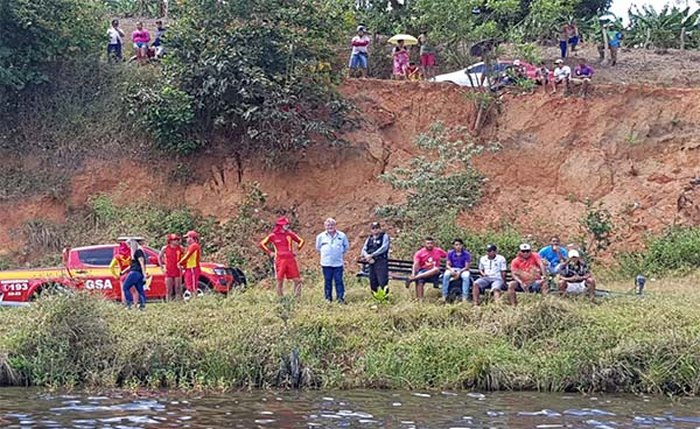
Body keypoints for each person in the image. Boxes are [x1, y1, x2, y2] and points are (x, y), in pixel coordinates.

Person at [259, 216, 305, 297]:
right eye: (285, 224)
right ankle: (280, 299)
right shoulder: (273, 235)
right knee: (279, 280)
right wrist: (270, 252)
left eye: (287, 224)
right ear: (281, 225)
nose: (287, 226)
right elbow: (262, 244)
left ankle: (297, 298)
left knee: (297, 280)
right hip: (279, 260)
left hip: (290, 259)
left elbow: (301, 241)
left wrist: (298, 249)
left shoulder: (290, 234)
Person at [315, 218, 350, 304]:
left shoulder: (342, 236)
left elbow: (346, 247)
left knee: (339, 281)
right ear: (325, 226)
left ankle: (341, 298)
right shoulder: (320, 236)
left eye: (332, 225)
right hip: (326, 263)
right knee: (328, 281)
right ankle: (328, 299)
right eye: (328, 225)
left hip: (338, 263)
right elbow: (318, 248)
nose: (330, 227)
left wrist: (338, 253)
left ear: (335, 226)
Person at [360, 222, 390, 295]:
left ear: (380, 229)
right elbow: (364, 249)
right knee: (373, 281)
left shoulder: (384, 236)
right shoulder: (369, 238)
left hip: (381, 261)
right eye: (373, 228)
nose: (375, 230)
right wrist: (367, 256)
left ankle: (385, 298)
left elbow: (384, 247)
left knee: (382, 281)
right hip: (371, 262)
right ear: (371, 230)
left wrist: (372, 255)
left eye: (377, 228)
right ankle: (375, 297)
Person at [441, 239, 471, 303]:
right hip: (452, 268)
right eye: (456, 245)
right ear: (454, 246)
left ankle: (465, 296)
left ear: (462, 245)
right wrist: (451, 270)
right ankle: (444, 295)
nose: (458, 246)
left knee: (466, 277)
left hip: (463, 269)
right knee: (446, 275)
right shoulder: (450, 253)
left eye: (459, 245)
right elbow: (447, 265)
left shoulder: (466, 254)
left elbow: (467, 267)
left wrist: (459, 272)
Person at [122, 239, 147, 310]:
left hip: (135, 272)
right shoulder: (135, 253)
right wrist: (124, 271)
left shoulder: (138, 252)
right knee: (140, 289)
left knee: (125, 287)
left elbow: (142, 263)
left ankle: (129, 304)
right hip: (138, 273)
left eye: (129, 245)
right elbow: (133, 265)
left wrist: (144, 274)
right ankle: (142, 305)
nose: (128, 247)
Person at [159, 233, 184, 301]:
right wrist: (162, 267)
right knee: (168, 289)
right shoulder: (165, 248)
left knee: (178, 288)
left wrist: (183, 266)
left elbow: (185, 257)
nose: (176, 241)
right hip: (169, 270)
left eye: (177, 240)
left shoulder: (180, 248)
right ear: (170, 241)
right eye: (175, 240)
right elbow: (159, 257)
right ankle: (168, 302)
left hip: (177, 270)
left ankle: (178, 302)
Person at [178, 230, 202, 300]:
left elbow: (187, 256)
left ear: (192, 238)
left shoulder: (194, 246)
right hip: (188, 268)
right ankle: (193, 298)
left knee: (193, 285)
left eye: (188, 237)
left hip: (193, 268)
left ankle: (195, 299)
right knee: (188, 284)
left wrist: (180, 262)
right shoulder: (190, 246)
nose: (187, 239)